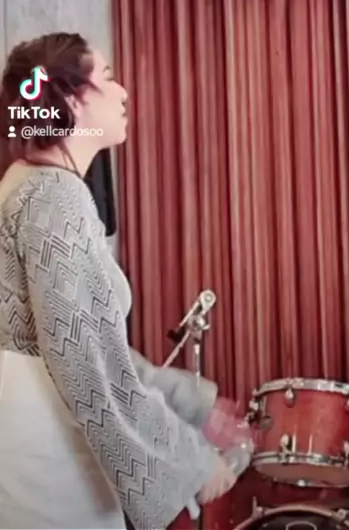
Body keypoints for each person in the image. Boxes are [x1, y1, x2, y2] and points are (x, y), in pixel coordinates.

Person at [0, 32, 242, 530]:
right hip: (49, 454)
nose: (123, 92)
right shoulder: (54, 199)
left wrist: (190, 409)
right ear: (73, 100)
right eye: (108, 77)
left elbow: (90, 346)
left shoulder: (31, 184)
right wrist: (192, 461)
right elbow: (90, 367)